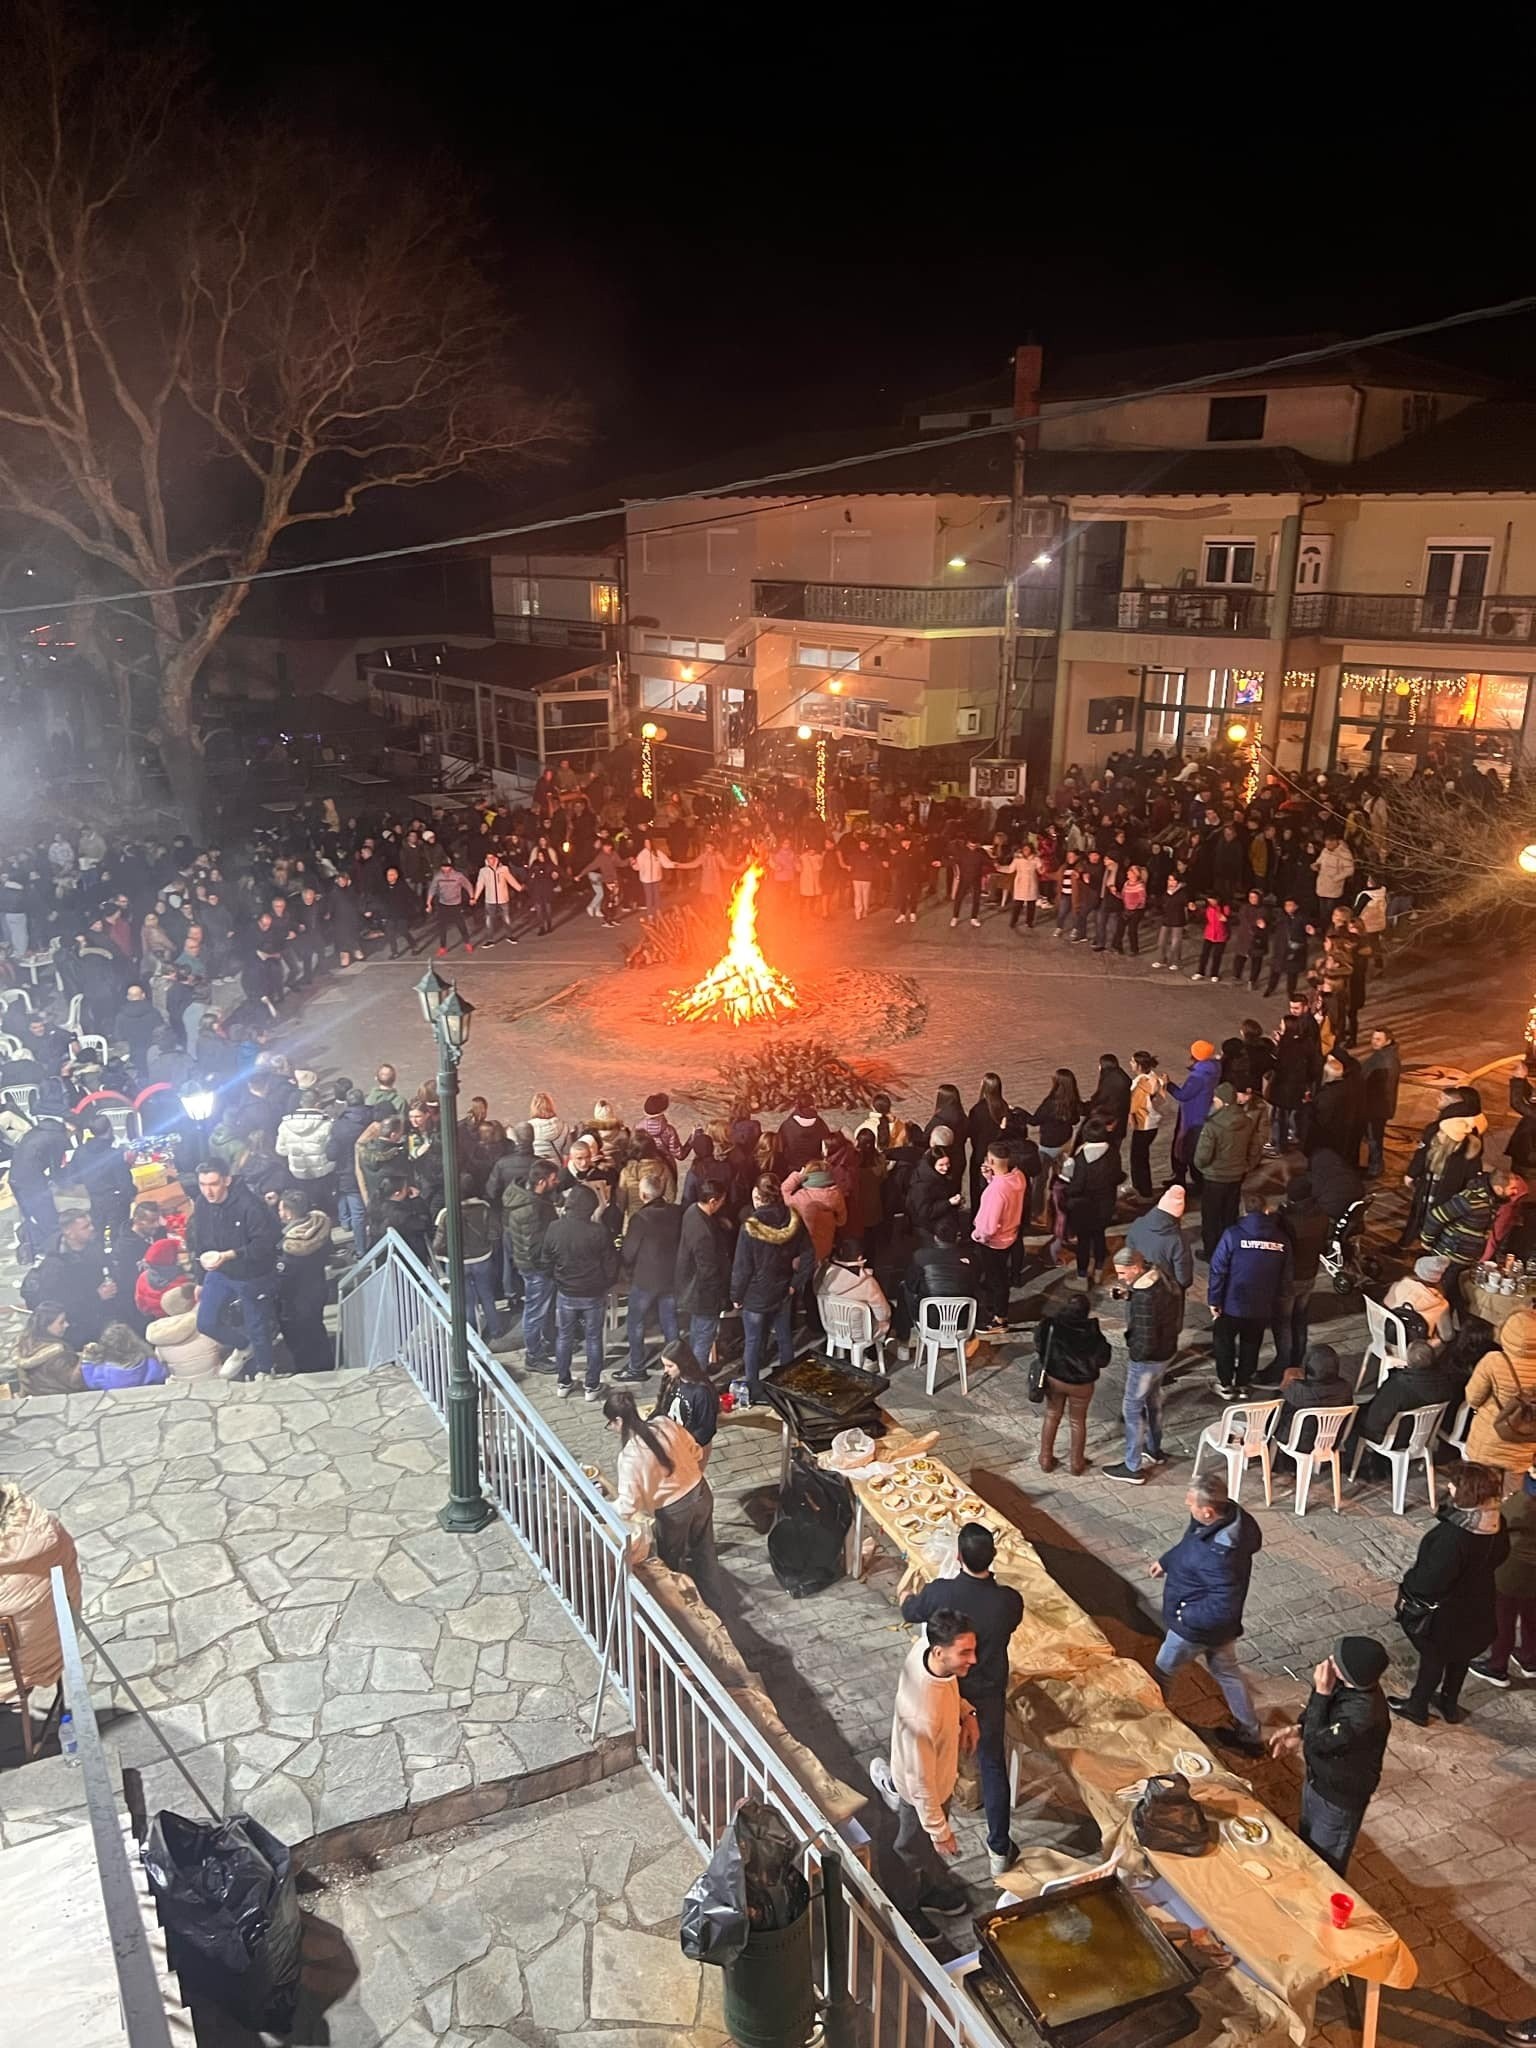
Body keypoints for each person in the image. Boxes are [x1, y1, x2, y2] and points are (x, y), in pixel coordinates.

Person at [900, 1524, 1025, 1877]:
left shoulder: (941, 1593)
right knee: (991, 1763)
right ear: (993, 1556)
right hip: (986, 1691)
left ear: (957, 1556)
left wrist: (906, 1598)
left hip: (951, 1688)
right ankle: (999, 1846)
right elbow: (1011, 1625)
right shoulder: (1007, 1601)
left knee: (931, 1757)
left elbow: (910, 1611)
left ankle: (919, 1818)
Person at [868, 1611, 979, 1926]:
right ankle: (906, 1907)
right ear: (940, 1651)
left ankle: (926, 1885)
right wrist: (939, 1829)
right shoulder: (922, 1716)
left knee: (920, 1845)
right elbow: (921, 1783)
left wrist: (967, 1713)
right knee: (910, 1848)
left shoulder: (926, 1652)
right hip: (923, 1790)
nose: (973, 1659)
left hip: (935, 1778)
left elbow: (950, 1689)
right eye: (965, 1653)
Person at [1148, 1472, 1265, 1758]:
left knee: (1162, 1670)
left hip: (1195, 1628)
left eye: (1191, 1505)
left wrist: (1185, 1617)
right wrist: (1167, 1561)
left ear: (1208, 1511)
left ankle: (1154, 1723)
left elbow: (1223, 1605)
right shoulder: (1225, 1519)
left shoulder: (1220, 1555)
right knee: (1227, 1672)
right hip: (1217, 1628)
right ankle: (1250, 1733)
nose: (1188, 1508)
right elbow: (1191, 1543)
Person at [1389, 1461, 1510, 1725]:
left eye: (1454, 1484)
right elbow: (1502, 1555)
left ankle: (1417, 1706)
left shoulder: (1454, 1537)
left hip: (1447, 1611)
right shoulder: (1495, 1522)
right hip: (1479, 1604)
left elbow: (1430, 1580)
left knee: (1435, 1657)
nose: (1449, 1487)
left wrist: (1410, 1583)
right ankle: (1449, 1702)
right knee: (1461, 1655)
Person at [1266, 1636, 1391, 1876]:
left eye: (1336, 1661)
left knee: (1325, 1863)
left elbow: (1319, 1741)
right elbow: (1320, 1724)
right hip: (1319, 1779)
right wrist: (1299, 1729)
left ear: (1352, 1674)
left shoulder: (1362, 1716)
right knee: (1307, 1843)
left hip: (1338, 1799)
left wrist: (1321, 1694)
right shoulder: (1347, 1684)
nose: (1328, 1662)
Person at [604, 1389, 725, 1611]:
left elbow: (628, 1506)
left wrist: (605, 1508)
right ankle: (716, 1604)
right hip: (700, 1490)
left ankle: (684, 1610)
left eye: (610, 1424)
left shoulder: (630, 1456)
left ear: (619, 1421)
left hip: (673, 1511)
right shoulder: (664, 1423)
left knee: (671, 1561)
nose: (611, 1428)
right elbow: (696, 1451)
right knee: (705, 1550)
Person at [187, 1158, 281, 1378]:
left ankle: (266, 1372)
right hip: (218, 1271)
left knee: (257, 1325)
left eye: (213, 1184)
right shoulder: (202, 1204)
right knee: (206, 1322)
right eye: (203, 1184)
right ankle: (242, 1345)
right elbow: (200, 1242)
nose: (208, 1191)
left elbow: (263, 1244)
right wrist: (200, 1279)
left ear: (226, 1180)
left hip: (252, 1273)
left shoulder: (249, 1205)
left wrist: (231, 1255)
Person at [730, 1174, 814, 1403]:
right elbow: (808, 1256)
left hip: (756, 1295)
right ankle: (787, 1385)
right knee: (785, 1339)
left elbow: (742, 1267)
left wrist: (736, 1295)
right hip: (783, 1290)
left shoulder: (750, 1227)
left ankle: (754, 1389)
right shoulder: (793, 1220)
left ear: (758, 1196)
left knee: (753, 1342)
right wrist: (795, 1285)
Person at [1103, 1243, 1182, 1483]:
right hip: (1166, 1352)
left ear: (1136, 1267)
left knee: (1132, 1409)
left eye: (1122, 1273)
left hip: (1147, 1360)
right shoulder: (1158, 1278)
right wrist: (1130, 1294)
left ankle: (1132, 1466)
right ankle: (1154, 1449)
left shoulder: (1145, 1298)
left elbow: (1146, 1335)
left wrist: (1135, 1355)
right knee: (1153, 1401)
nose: (1120, 1277)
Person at [1207, 1193, 1292, 1395]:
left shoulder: (1232, 1235)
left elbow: (1218, 1269)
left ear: (1244, 1211)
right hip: (1262, 1305)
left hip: (1232, 1302)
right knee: (1251, 1343)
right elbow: (1286, 1274)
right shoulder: (1281, 1239)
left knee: (1224, 1342)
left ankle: (1226, 1383)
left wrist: (1214, 1299)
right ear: (1266, 1210)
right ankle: (1244, 1382)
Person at [547, 1182, 620, 1400]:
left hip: (566, 1291)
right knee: (593, 1338)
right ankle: (592, 1385)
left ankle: (563, 1382)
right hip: (593, 1292)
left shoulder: (554, 1228)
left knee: (564, 1337)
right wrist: (605, 1283)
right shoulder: (598, 1232)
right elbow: (611, 1263)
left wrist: (558, 1277)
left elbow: (547, 1257)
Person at [1469, 1453, 1536, 1687]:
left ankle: (1497, 1666)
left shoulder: (1525, 1503)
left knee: (1503, 1620)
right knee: (1531, 1615)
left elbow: (1504, 1520)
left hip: (1515, 1570)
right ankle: (1530, 1658)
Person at [1033, 1290, 1110, 1475]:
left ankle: (1045, 1459)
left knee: (1052, 1415)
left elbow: (1039, 1346)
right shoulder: (1092, 1332)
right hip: (1081, 1385)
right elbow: (1103, 1359)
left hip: (1054, 1379)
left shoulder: (1050, 1325)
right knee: (1078, 1421)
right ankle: (1076, 1463)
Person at [616, 1172, 683, 1382]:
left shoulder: (640, 1218)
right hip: (671, 1276)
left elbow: (628, 1253)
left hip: (646, 1279)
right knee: (670, 1321)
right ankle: (677, 1364)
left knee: (635, 1321)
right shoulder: (677, 1212)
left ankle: (637, 1367)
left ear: (643, 1195)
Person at [1461, 1307, 1536, 1480]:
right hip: (1525, 1445)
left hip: (1489, 1437)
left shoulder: (1493, 1361)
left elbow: (1473, 1398)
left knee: (1478, 1489)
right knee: (1509, 1500)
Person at [1193, 1083, 1266, 1261]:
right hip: (1236, 1176)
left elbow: (1202, 1156)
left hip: (1214, 1177)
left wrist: (1202, 1168)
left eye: (1215, 1099)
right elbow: (1255, 1148)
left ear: (1224, 1102)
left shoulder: (1213, 1125)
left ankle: (1211, 1252)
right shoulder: (1247, 1121)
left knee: (1211, 1217)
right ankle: (1230, 1249)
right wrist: (1248, 1166)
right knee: (1229, 1215)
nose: (1213, 1101)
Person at [1272, 1173, 1332, 1379]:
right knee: (1300, 1318)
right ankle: (1297, 1360)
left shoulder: (1288, 1220)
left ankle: (1283, 1364)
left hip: (1290, 1278)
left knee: (1283, 1321)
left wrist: (1278, 1215)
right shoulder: (1321, 1215)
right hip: (1310, 1274)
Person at [504, 1157, 560, 1370]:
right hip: (537, 1268)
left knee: (542, 1308)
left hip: (533, 1265)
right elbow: (534, 1246)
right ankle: (534, 1355)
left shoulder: (526, 1199)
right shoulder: (532, 1210)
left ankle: (547, 1343)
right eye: (553, 1179)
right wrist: (547, 1265)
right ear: (542, 1181)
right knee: (535, 1311)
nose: (556, 1182)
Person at [674, 1177, 732, 1366]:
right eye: (721, 1201)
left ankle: (691, 1370)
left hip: (691, 1288)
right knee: (704, 1337)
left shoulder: (692, 1212)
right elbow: (708, 1270)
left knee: (697, 1332)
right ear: (713, 1201)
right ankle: (697, 1376)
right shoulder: (704, 1233)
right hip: (704, 1294)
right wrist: (722, 1295)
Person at [971, 1143, 1026, 1331]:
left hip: (993, 1242)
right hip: (1009, 1235)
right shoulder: (1018, 1177)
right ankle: (995, 1310)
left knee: (997, 1280)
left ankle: (999, 1319)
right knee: (999, 1277)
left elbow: (989, 1225)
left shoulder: (997, 1191)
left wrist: (978, 1235)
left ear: (992, 1160)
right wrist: (990, 1178)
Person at [72, 1112, 136, 1254]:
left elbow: (74, 1177)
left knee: (96, 1236)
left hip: (94, 1199)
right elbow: (124, 1183)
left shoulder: (80, 1151)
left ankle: (99, 1266)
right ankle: (117, 1265)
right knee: (117, 1236)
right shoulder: (114, 1154)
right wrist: (131, 1194)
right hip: (115, 1200)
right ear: (110, 1128)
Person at [650, 1339, 720, 1467]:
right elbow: (662, 1408)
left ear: (683, 1364)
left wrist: (684, 1446)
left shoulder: (701, 1392)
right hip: (675, 1442)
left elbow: (707, 1429)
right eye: (664, 1365)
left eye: (670, 1366)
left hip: (694, 1446)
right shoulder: (672, 1380)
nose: (665, 1370)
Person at [1165, 1040, 1221, 1192]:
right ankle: (1191, 1180)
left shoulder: (1198, 1076)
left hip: (1191, 1116)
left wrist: (1168, 1084)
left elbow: (1183, 1095)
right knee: (1192, 1148)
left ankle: (1188, 1181)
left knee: (1185, 1148)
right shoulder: (1214, 1068)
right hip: (1202, 1113)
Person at [1279, 1342, 1357, 1450]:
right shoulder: (1345, 1388)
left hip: (1297, 1442)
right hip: (1331, 1443)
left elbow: (1282, 1395)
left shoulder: (1298, 1389)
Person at [146, 1282, 229, 1381]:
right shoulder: (206, 1326)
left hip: (180, 1387)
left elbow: (161, 1364)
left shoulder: (160, 1336)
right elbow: (225, 1345)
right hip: (215, 1381)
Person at [816, 1239, 892, 1341]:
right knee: (888, 1312)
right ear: (860, 1257)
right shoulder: (868, 1283)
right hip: (860, 1334)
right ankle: (889, 1342)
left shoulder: (825, 1275)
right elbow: (883, 1315)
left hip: (832, 1329)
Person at [1383, 1254, 1454, 1349]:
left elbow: (1386, 1306)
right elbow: (1447, 1336)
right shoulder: (1442, 1305)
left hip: (1389, 1337)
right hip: (1417, 1349)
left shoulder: (1398, 1286)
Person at [13, 1303, 84, 1396]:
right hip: (58, 1398)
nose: (67, 1325)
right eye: (61, 1322)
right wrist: (84, 1358)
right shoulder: (57, 1354)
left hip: (33, 1394)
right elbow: (75, 1383)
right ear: (46, 1325)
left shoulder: (24, 1342)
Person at [1360, 1027, 1401, 1180]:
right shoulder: (1384, 1055)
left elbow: (1383, 1089)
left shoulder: (1386, 1061)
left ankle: (1375, 1168)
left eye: (1378, 1039)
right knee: (1373, 1137)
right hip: (1375, 1105)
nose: (1374, 1042)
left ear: (1388, 1041)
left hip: (1376, 1107)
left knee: (1374, 1138)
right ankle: (1374, 1165)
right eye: (1373, 1038)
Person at [1127, 1051, 1164, 1200]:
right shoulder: (1154, 1078)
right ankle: (1142, 1188)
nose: (1130, 1064)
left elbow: (1134, 1104)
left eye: (1132, 1062)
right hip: (1153, 1122)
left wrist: (1130, 1116)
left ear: (1139, 1065)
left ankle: (1142, 1191)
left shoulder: (1140, 1083)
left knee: (1138, 1159)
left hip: (1143, 1124)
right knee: (1141, 1157)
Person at [425, 855, 476, 955]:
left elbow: (468, 885)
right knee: (442, 927)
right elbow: (432, 889)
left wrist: (472, 897)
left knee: (461, 925)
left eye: (447, 866)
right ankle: (443, 947)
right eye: (443, 866)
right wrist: (428, 903)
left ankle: (467, 943)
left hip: (455, 905)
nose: (445, 869)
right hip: (443, 904)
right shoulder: (438, 876)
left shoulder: (458, 876)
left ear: (451, 866)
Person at [471, 849, 522, 947]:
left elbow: (510, 879)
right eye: (488, 858)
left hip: (503, 899)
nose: (489, 860)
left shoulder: (504, 869)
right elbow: (480, 884)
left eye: (491, 858)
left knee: (506, 918)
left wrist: (519, 888)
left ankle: (509, 935)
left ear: (496, 859)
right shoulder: (483, 871)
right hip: (490, 900)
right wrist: (475, 898)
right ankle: (490, 940)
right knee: (489, 920)